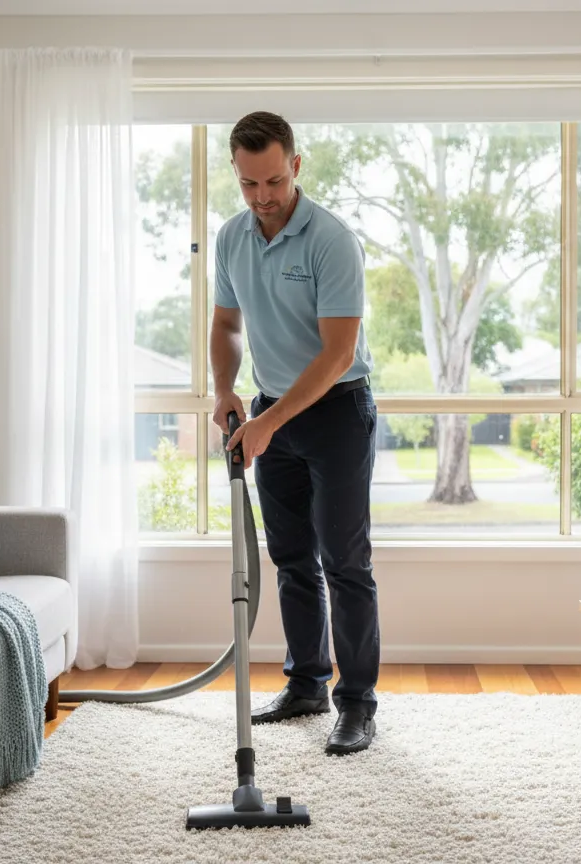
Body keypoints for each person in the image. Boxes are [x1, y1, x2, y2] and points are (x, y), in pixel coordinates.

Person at [210, 111, 380, 756]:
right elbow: (226, 327)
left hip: (335, 412)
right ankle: (306, 683)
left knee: (345, 563)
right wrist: (227, 393)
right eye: (249, 184)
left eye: (274, 181)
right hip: (267, 409)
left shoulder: (331, 239)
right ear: (237, 173)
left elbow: (337, 353)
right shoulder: (232, 238)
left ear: (296, 166)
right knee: (290, 561)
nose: (263, 197)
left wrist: (266, 424)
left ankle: (357, 704)